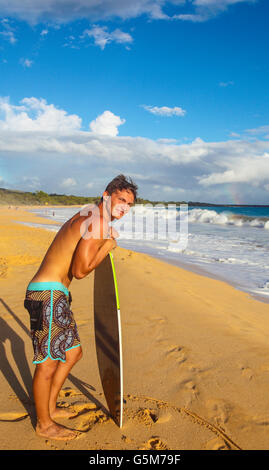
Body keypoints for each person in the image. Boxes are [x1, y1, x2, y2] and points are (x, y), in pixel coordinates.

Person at [24, 174, 137, 440]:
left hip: (57, 295)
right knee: (48, 363)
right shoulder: (96, 221)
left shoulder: (89, 214)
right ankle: (44, 424)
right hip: (47, 295)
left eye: (129, 204)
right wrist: (108, 245)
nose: (124, 208)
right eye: (121, 200)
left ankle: (50, 407)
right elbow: (80, 269)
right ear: (106, 196)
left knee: (73, 353)